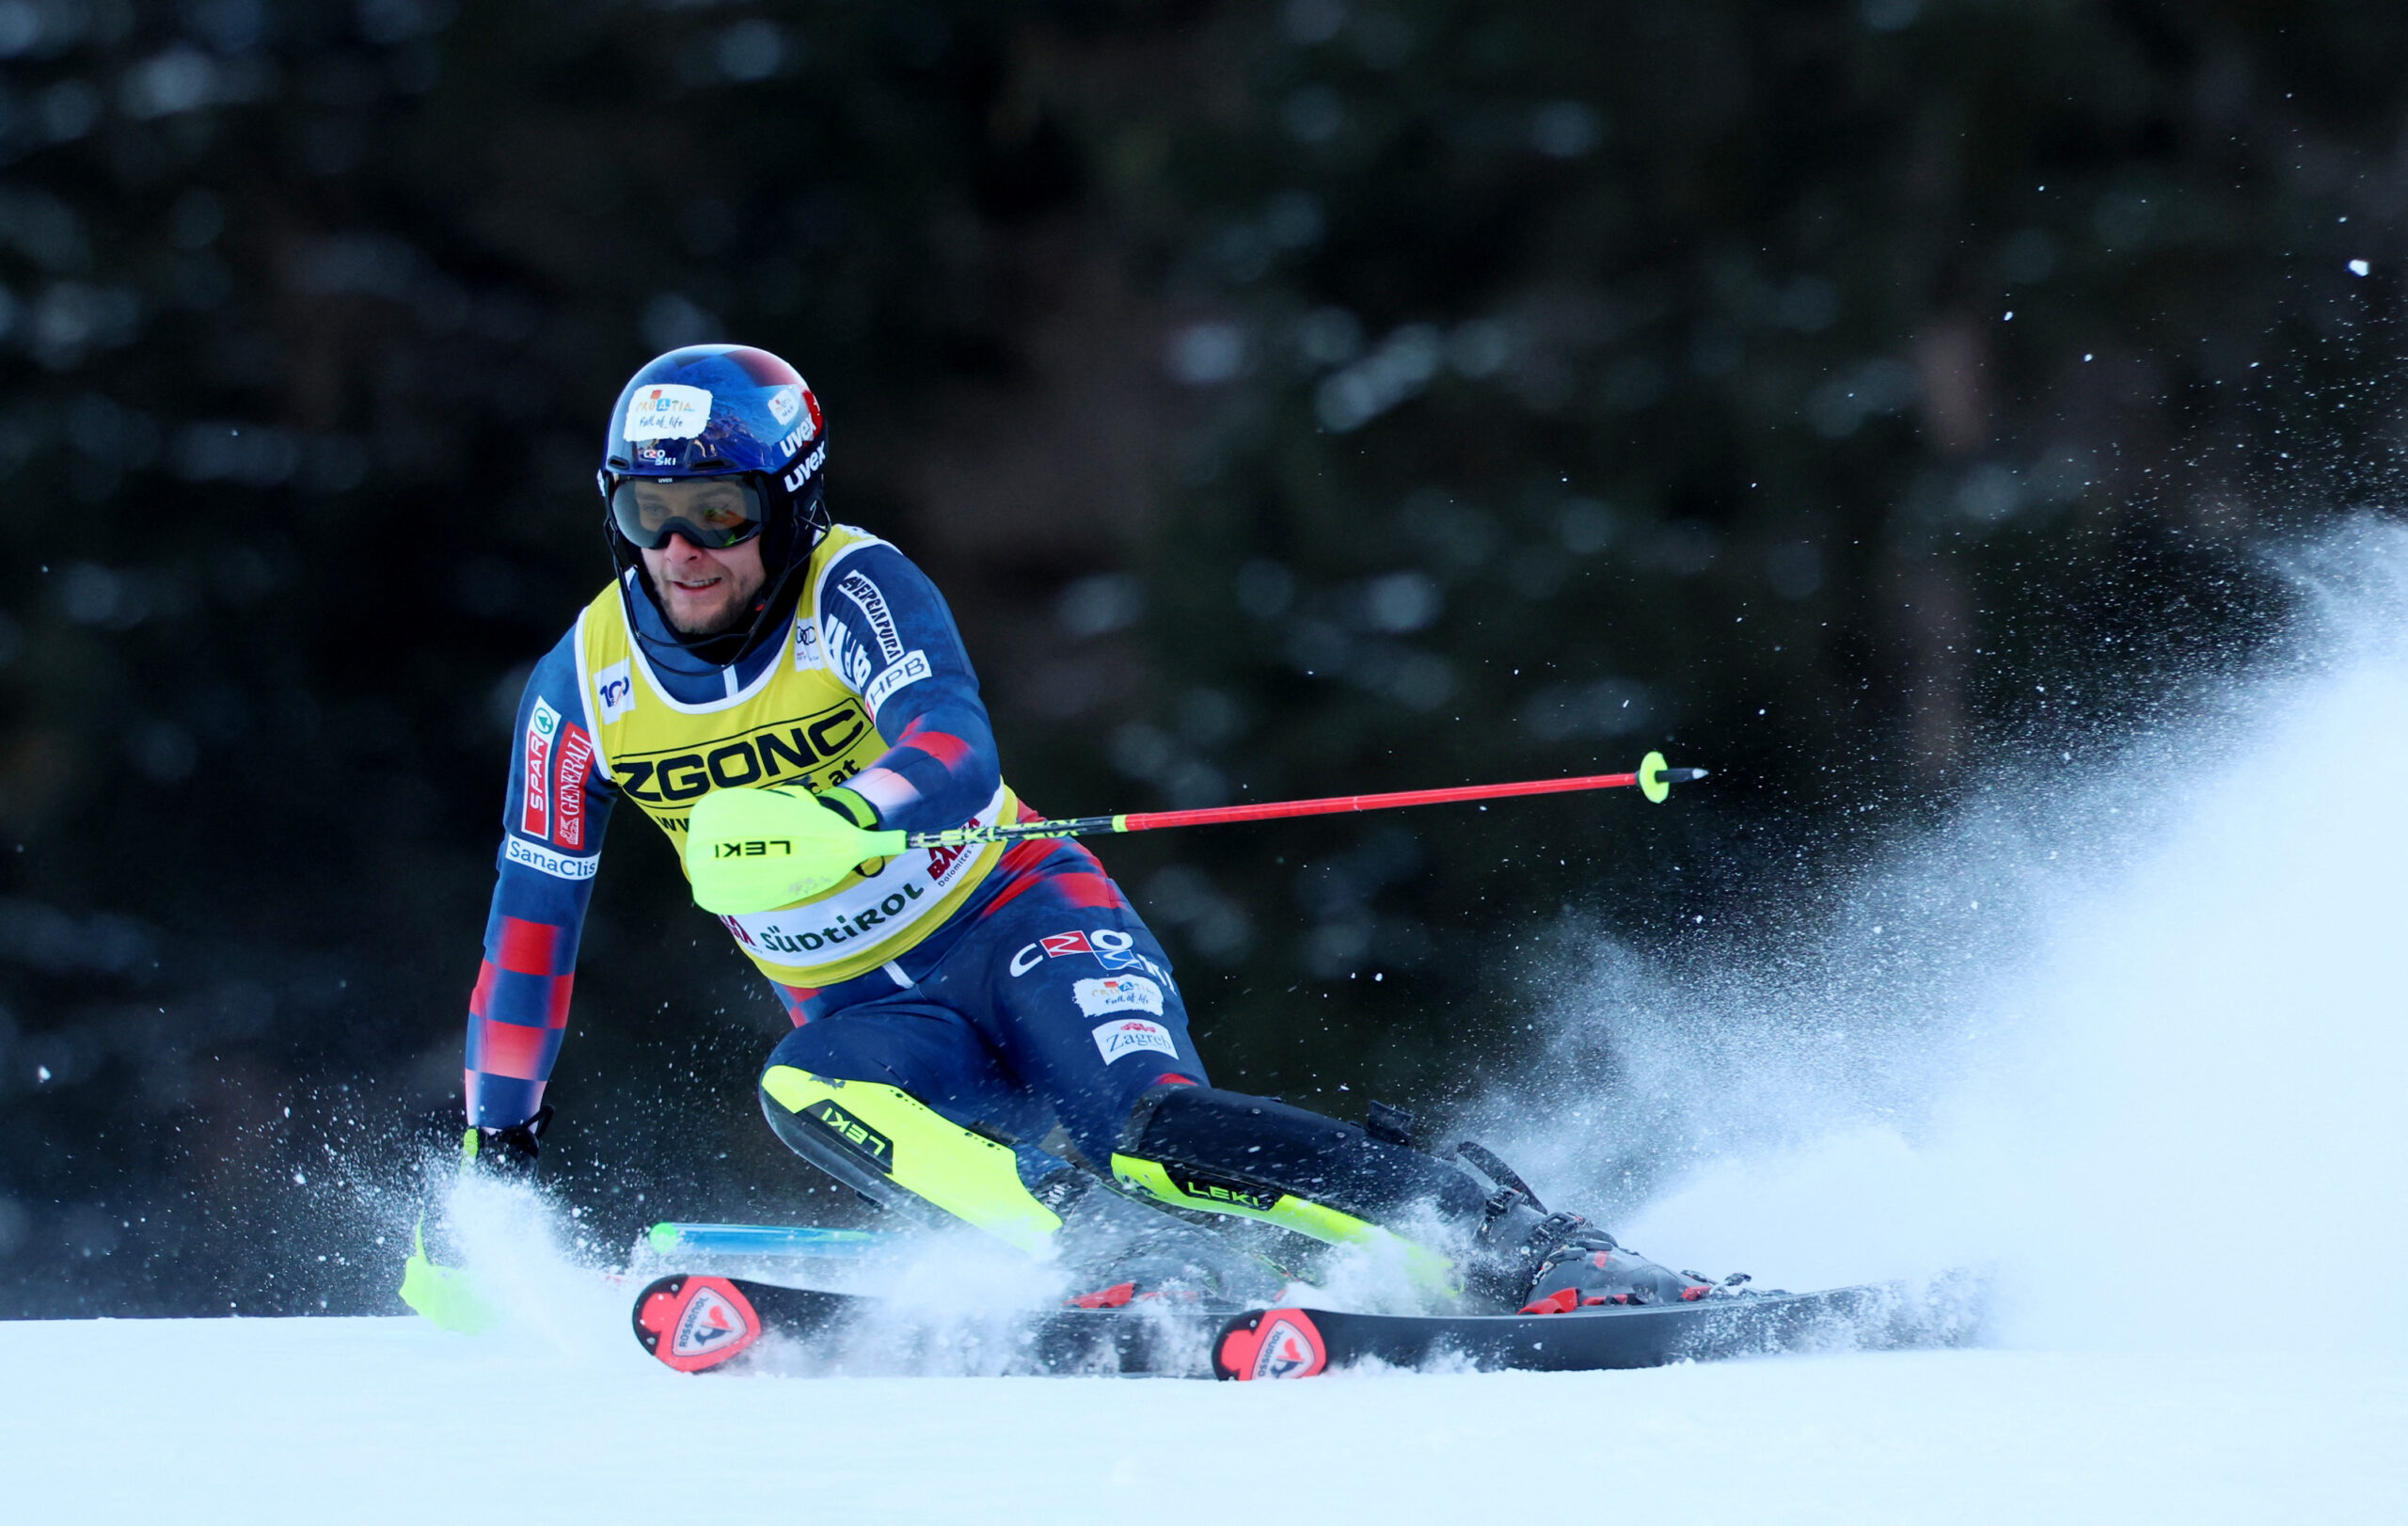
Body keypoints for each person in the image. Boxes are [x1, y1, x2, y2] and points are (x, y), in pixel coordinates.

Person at [461, 342, 1717, 1312]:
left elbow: (956, 748)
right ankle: (1123, 1258)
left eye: (720, 514)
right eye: (648, 515)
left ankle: (1502, 1234)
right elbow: (531, 933)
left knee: (1146, 1133)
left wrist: (846, 815)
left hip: (1018, 922)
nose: (683, 552)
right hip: (868, 1016)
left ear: (786, 505)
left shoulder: (854, 586)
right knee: (804, 1086)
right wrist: (495, 1143)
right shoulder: (585, 688)